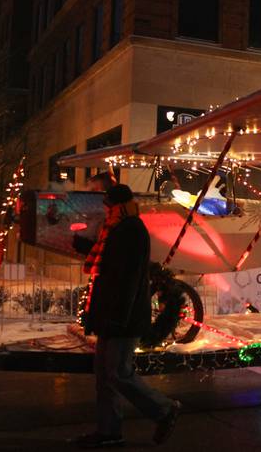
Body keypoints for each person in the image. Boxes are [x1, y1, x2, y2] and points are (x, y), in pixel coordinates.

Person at [76, 184, 181, 448]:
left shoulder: (131, 228)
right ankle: (109, 431)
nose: (105, 209)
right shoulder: (115, 228)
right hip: (110, 314)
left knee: (118, 373)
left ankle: (164, 409)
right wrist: (82, 244)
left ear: (117, 205)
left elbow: (129, 276)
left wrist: (119, 316)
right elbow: (108, 261)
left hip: (123, 316)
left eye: (108, 204)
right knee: (105, 375)